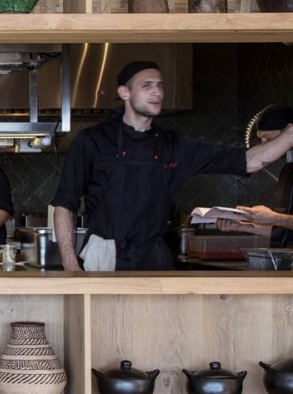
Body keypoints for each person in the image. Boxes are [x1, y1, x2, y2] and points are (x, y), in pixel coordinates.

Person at [51, 61, 293, 271]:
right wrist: (70, 263)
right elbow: (64, 204)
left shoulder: (174, 145)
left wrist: (290, 135)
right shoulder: (92, 141)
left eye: (160, 85)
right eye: (147, 85)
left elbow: (249, 161)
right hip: (105, 255)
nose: (156, 91)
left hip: (155, 258)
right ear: (124, 92)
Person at [216, 105, 293, 247]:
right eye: (261, 139)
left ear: (289, 130)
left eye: (268, 138)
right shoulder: (287, 170)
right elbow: (284, 233)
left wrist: (274, 218)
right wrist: (241, 226)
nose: (264, 145)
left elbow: (280, 221)